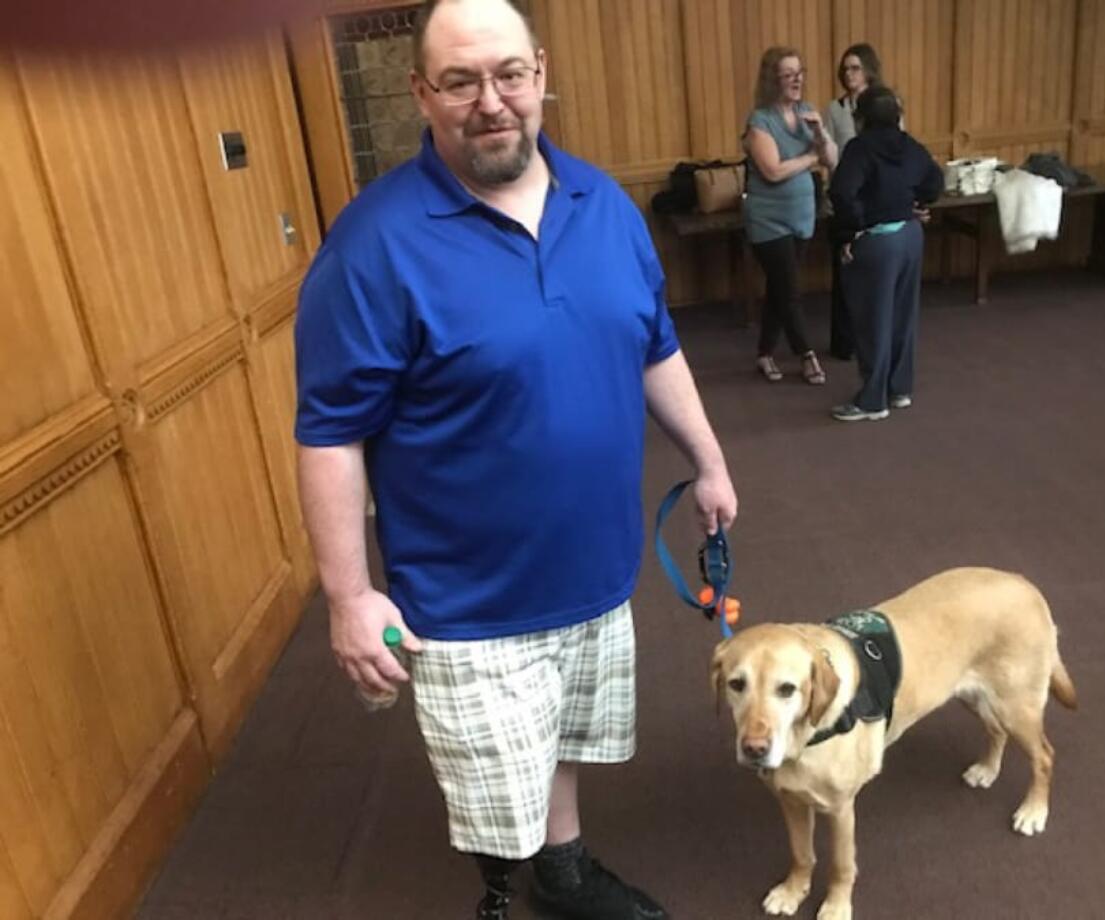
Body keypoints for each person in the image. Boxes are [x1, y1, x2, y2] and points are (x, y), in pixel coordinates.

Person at [293, 1, 738, 918]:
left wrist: (709, 459)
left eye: (507, 74)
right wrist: (347, 595)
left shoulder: (602, 205)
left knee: (565, 739)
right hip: (469, 599)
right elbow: (331, 431)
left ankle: (562, 869)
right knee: (494, 782)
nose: (490, 101)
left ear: (539, 72)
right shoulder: (373, 244)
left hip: (596, 567)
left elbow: (653, 345)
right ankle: (502, 893)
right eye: (460, 81)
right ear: (423, 92)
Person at [828, 84, 943, 422]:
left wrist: (854, 230)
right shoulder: (910, 146)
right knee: (903, 316)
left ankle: (872, 400)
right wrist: (915, 204)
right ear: (897, 116)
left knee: (871, 319)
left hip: (878, 242)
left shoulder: (859, 149)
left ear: (859, 118)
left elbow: (842, 193)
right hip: (910, 236)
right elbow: (934, 182)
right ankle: (899, 389)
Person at [742, 46, 838, 385]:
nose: (797, 80)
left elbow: (831, 159)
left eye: (800, 72)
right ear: (773, 80)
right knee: (790, 288)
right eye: (788, 74)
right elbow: (772, 171)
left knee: (780, 289)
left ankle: (764, 353)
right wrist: (810, 158)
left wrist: (820, 135)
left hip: (802, 217)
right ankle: (806, 355)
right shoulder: (760, 122)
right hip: (768, 221)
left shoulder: (808, 112)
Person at [823, 43, 884, 361]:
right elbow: (830, 153)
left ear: (869, 70)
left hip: (877, 196)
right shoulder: (835, 109)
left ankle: (872, 337)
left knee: (874, 269)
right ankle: (843, 342)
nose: (849, 74)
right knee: (844, 270)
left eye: (855, 68)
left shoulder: (886, 103)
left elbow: (895, 145)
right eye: (845, 68)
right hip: (847, 194)